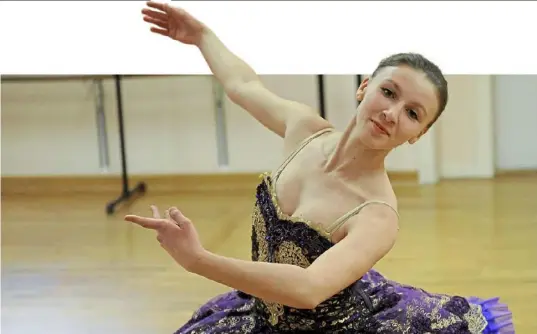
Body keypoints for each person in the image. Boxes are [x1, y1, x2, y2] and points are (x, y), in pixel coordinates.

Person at [125, 2, 515, 333]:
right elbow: (243, 85)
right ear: (365, 88)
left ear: (417, 134)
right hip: (259, 314)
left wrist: (199, 260)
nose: (391, 113)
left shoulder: (377, 214)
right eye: (388, 92)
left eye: (412, 113)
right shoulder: (305, 130)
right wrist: (202, 36)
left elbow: (309, 288)